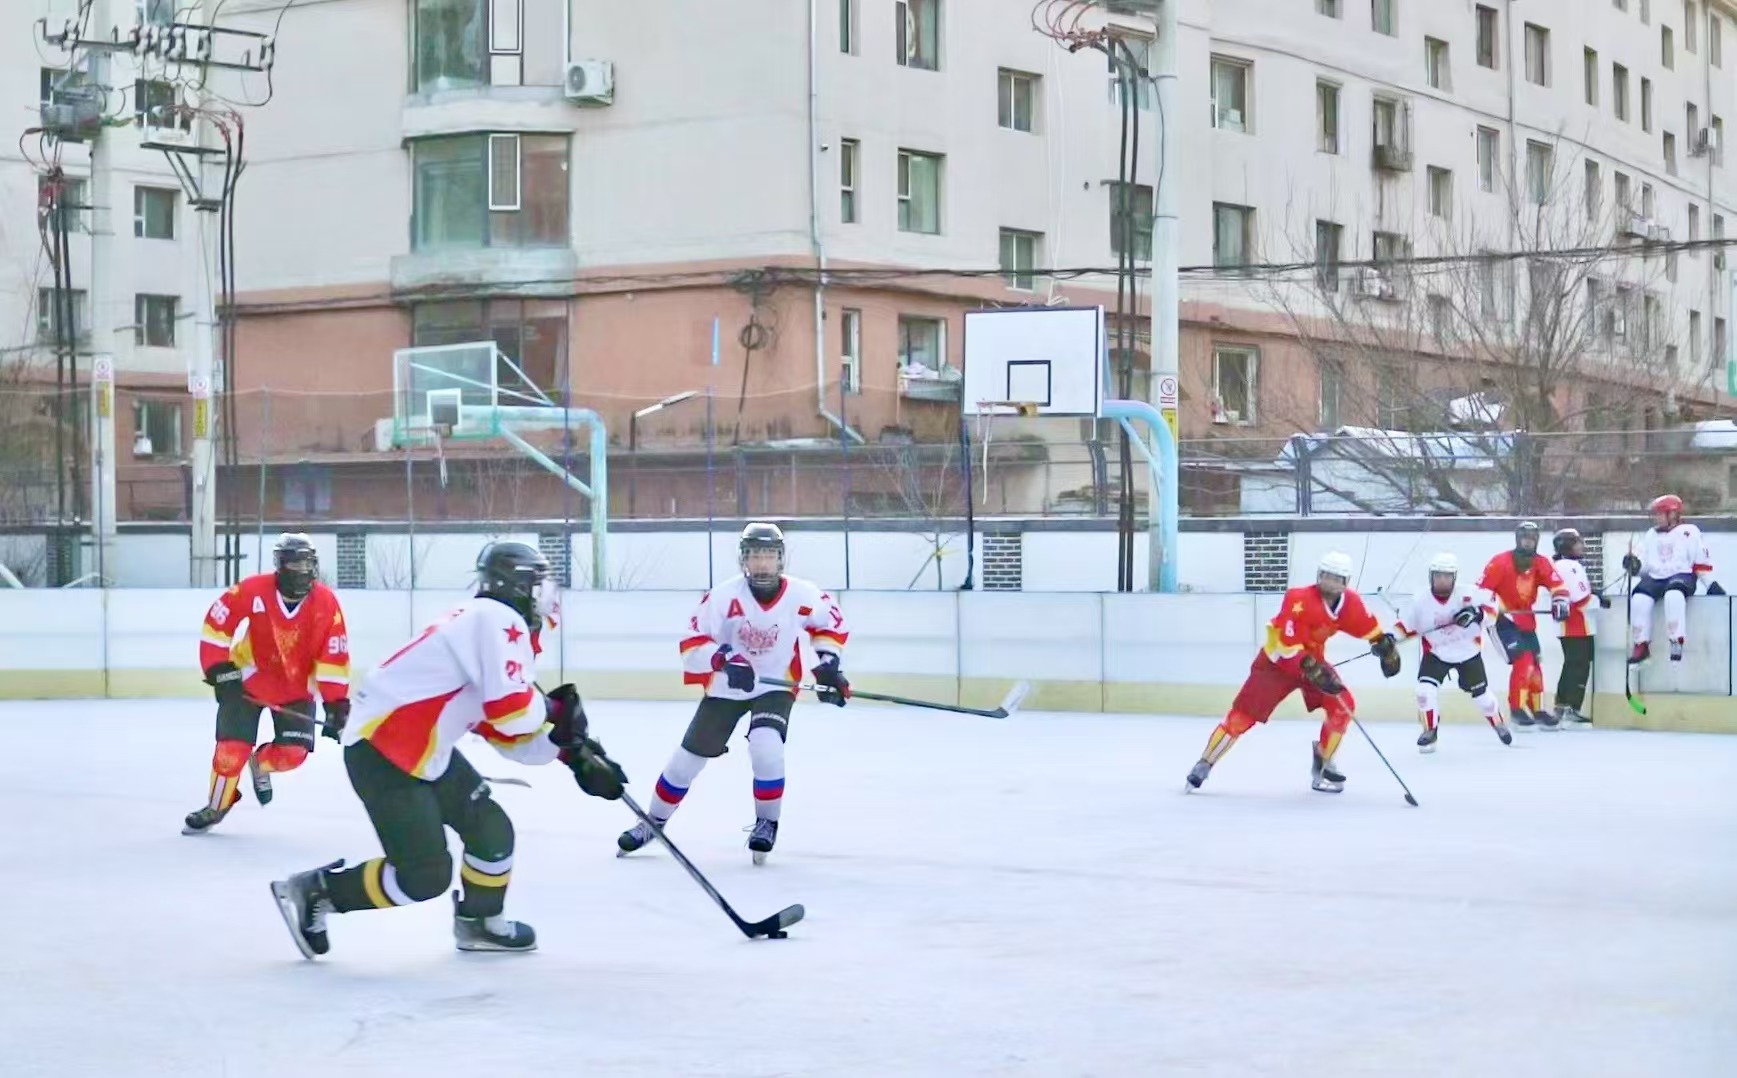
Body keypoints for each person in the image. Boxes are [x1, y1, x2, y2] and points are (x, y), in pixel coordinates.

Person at [267, 541, 627, 960]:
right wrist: (554, 713)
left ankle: (480, 922)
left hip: (418, 749)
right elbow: (513, 712)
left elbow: (506, 732)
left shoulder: (484, 623)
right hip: (386, 752)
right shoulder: (496, 619)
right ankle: (319, 892)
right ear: (519, 586)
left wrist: (568, 751)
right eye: (539, 582)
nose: (547, 594)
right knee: (424, 876)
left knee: (491, 831)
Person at [616, 522, 849, 864]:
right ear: (743, 559)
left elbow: (829, 625)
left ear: (780, 559)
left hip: (775, 684)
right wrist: (723, 660)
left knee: (766, 746)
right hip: (726, 687)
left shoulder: (803, 594)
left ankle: (767, 823)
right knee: (686, 761)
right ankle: (653, 822)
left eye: (768, 555)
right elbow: (692, 641)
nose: (761, 564)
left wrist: (829, 663)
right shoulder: (723, 597)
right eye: (754, 555)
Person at [1185, 551, 1401, 794]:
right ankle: (1205, 763)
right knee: (1241, 717)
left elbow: (1367, 627)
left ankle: (1323, 761)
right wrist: (1314, 671)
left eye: (1337, 578)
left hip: (1314, 664)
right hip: (1276, 665)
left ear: (1346, 582)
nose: (1330, 582)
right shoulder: (1297, 599)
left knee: (1343, 704)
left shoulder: (1350, 603)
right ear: (1318, 575)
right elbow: (1287, 646)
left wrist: (1384, 646)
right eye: (1326, 575)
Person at [183, 533, 350, 835]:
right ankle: (217, 805)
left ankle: (260, 763)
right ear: (280, 566)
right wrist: (219, 669)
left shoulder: (326, 603)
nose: (302, 571)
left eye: (307, 564)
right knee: (230, 752)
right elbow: (217, 624)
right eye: (295, 564)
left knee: (292, 755)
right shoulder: (253, 589)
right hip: (247, 682)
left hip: (297, 689)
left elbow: (333, 654)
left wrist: (336, 702)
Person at [1393, 554, 1510, 752]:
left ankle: (1497, 722)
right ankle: (1430, 731)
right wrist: (1388, 639)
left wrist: (1477, 614)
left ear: (1454, 577)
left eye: (1447, 576)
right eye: (1438, 575)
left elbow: (1493, 609)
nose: (1442, 580)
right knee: (1424, 691)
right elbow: (1405, 626)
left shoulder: (1469, 594)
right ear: (1431, 576)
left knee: (1482, 697)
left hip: (1468, 653)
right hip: (1436, 653)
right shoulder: (1420, 600)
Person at [1477, 522, 1569, 729]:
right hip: (1502, 621)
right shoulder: (1500, 562)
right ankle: (1517, 709)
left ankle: (1537, 710)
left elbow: (1557, 584)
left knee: (1535, 663)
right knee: (1523, 660)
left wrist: (1560, 601)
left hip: (1526, 620)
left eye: (1532, 538)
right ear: (1518, 539)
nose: (1528, 542)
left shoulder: (1541, 562)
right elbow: (1481, 590)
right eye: (1525, 538)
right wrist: (1489, 607)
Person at [1623, 494, 1721, 666]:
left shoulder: (1689, 532)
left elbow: (1699, 562)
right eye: (1655, 514)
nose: (1656, 518)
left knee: (1673, 595)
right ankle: (1641, 645)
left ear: (1673, 514)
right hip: (1656, 577)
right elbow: (1646, 566)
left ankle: (1676, 640)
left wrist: (1710, 584)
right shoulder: (1651, 535)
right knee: (1639, 599)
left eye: (1660, 514)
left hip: (1681, 575)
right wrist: (1634, 565)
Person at [1551, 528, 1607, 726]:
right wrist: (1598, 600)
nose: (1581, 546)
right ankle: (1571, 708)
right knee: (1579, 665)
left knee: (1572, 664)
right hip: (1576, 624)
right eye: (1577, 542)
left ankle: (1562, 706)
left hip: (1574, 624)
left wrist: (1595, 595)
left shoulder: (1564, 565)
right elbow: (1580, 598)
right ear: (1567, 546)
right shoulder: (1569, 566)